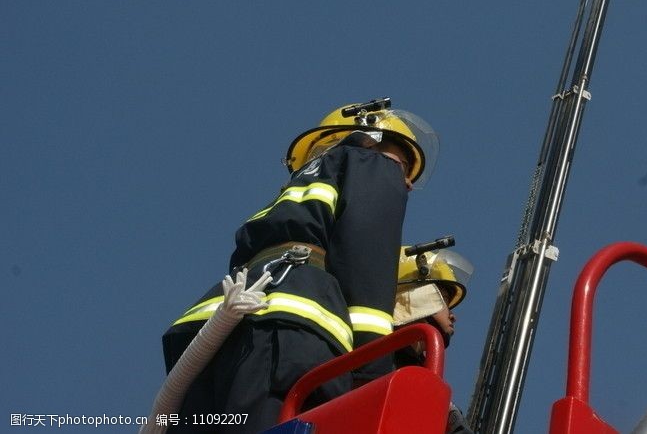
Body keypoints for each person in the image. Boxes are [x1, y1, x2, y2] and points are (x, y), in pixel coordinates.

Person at [160, 98, 438, 433]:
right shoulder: (368, 164)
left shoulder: (300, 189)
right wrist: (370, 372)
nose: (405, 181)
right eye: (403, 161)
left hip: (216, 333)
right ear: (370, 140)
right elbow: (367, 264)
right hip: (288, 341)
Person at [392, 247, 475, 434]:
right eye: (443, 300)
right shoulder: (383, 363)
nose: (453, 316)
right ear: (417, 297)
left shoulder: (419, 372)